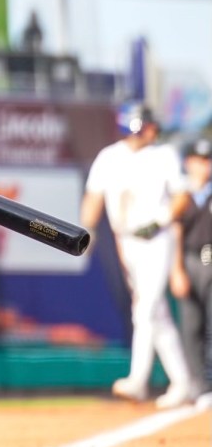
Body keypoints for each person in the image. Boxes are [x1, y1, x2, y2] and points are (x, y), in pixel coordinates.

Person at [79, 101, 197, 408]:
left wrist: (160, 220)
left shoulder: (164, 155)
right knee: (155, 312)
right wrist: (86, 231)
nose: (154, 129)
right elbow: (93, 198)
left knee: (145, 309)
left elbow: (183, 197)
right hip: (127, 241)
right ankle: (183, 382)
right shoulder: (109, 157)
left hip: (158, 237)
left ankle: (138, 380)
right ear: (135, 125)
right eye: (148, 123)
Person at [169, 137, 212, 403]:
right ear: (189, 163)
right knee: (191, 325)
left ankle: (209, 381)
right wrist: (176, 269)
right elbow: (175, 231)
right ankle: (199, 385)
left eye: (208, 161)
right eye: (199, 161)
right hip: (189, 260)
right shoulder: (182, 197)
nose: (204, 167)